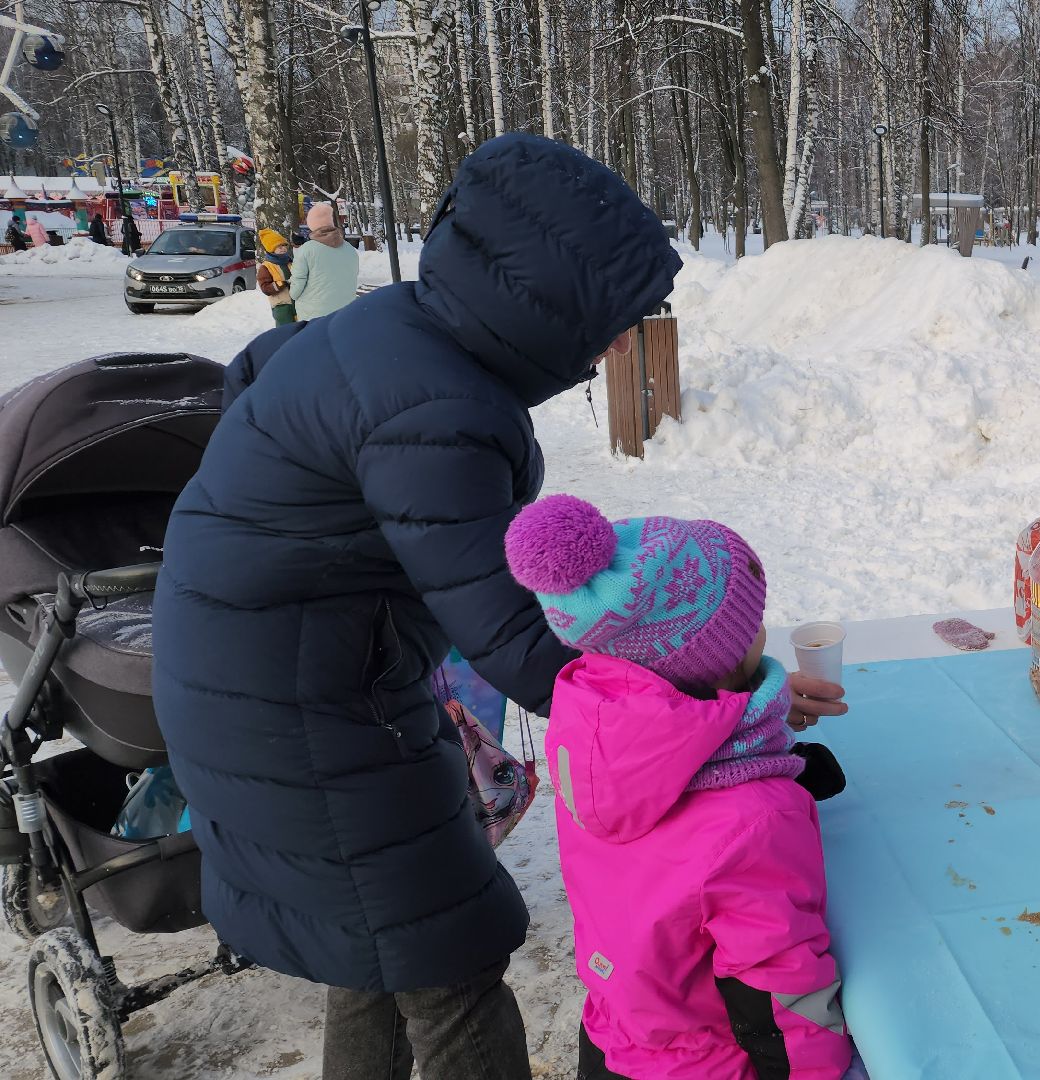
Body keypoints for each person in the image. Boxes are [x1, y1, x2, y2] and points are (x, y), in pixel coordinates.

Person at [152, 134, 846, 1079]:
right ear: (547, 299)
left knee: (379, 948)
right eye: (610, 320)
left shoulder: (405, 333)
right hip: (299, 712)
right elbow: (522, 641)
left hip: (284, 687)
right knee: (445, 957)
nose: (612, 347)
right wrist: (724, 701)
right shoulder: (430, 404)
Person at [503, 496, 854, 1080]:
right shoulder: (756, 821)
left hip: (622, 1031)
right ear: (718, 656)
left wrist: (767, 736)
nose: (763, 628)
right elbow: (781, 989)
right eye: (752, 620)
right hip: (711, 1061)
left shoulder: (590, 735)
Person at [288, 201, 361, 320]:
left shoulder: (306, 250)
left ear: (312, 225)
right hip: (345, 312)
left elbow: (296, 290)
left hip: (314, 315)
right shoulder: (349, 249)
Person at [256, 227, 297, 326]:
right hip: (281, 306)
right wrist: (282, 283)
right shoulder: (266, 267)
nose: (283, 248)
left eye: (284, 245)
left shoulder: (290, 261)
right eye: (279, 247)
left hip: (297, 302)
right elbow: (265, 288)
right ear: (271, 249)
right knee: (285, 331)